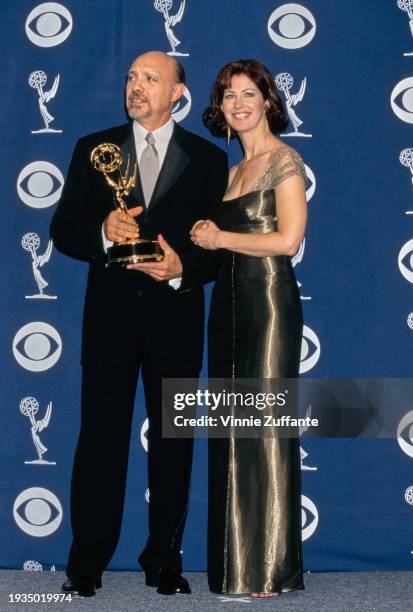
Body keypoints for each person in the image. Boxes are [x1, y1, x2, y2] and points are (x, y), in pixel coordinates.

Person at [50, 51, 227, 597]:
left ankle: (164, 560)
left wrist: (182, 269)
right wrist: (103, 230)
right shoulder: (93, 149)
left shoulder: (208, 159)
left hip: (176, 319)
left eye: (151, 78)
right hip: (109, 323)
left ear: (178, 93)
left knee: (173, 446)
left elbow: (219, 251)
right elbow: (62, 229)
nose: (136, 86)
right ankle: (86, 564)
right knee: (99, 443)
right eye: (130, 77)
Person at [190, 59, 307, 597]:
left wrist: (221, 238)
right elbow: (217, 245)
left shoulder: (286, 161)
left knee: (264, 433)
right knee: (233, 433)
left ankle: (269, 569)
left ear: (267, 101)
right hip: (228, 308)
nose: (237, 104)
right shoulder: (232, 172)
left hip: (268, 305)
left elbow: (286, 243)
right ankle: (238, 565)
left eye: (247, 94)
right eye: (228, 96)